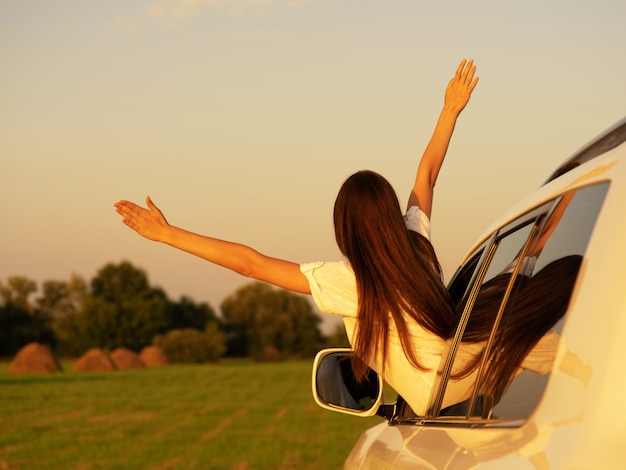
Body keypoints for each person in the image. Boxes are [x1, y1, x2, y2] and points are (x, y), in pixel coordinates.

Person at [115, 59, 479, 415]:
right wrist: (450, 111)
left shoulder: (351, 282)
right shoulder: (417, 243)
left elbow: (251, 265)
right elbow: (426, 177)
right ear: (389, 211)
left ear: (345, 228)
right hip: (473, 376)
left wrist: (168, 235)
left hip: (438, 400)